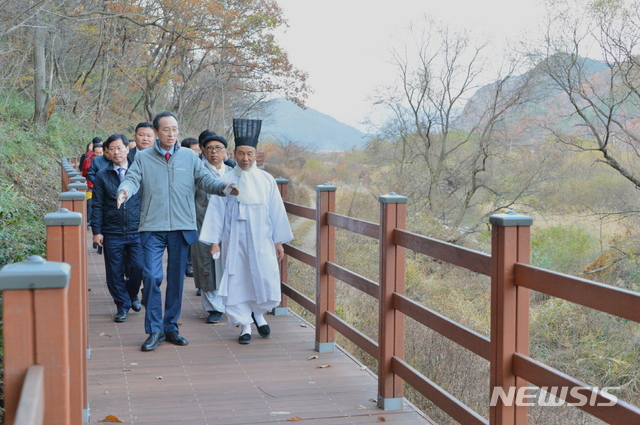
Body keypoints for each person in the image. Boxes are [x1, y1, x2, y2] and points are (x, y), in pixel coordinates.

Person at [117, 111, 239, 352]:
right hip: (152, 226)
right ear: (156, 133)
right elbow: (132, 179)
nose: (171, 134)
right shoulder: (143, 158)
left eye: (175, 129)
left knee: (176, 280)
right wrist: (123, 191)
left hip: (182, 226)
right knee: (151, 276)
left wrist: (225, 187)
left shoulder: (189, 157)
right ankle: (154, 330)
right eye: (166, 129)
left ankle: (170, 327)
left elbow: (206, 180)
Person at [199, 118, 292, 344]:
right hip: (235, 237)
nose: (245, 158)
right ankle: (245, 325)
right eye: (241, 153)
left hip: (262, 237)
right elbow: (216, 211)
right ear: (234, 153)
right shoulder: (227, 180)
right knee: (238, 277)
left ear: (256, 154)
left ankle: (259, 314)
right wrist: (214, 241)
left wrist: (278, 241)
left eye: (250, 153)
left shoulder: (267, 180)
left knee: (264, 275)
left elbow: (276, 211)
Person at [91, 134, 143, 322]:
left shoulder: (138, 172)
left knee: (138, 268)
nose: (116, 152)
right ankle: (122, 306)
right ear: (106, 152)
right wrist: (97, 231)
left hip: (137, 230)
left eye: (120, 148)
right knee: (114, 272)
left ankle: (132, 294)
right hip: (112, 231)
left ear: (127, 149)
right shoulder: (102, 175)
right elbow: (97, 204)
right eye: (112, 149)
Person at [192, 133, 233, 323]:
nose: (214, 152)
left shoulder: (233, 172)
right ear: (203, 151)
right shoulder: (197, 172)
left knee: (231, 263)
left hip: (231, 226)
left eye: (218, 148)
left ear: (226, 152)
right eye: (209, 148)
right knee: (206, 264)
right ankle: (214, 308)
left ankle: (233, 303)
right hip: (203, 224)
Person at [82, 142, 103, 228]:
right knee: (89, 203)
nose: (99, 154)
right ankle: (89, 221)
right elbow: (84, 172)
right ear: (93, 152)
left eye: (100, 152)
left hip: (102, 187)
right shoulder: (88, 160)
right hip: (91, 185)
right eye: (97, 152)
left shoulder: (106, 161)